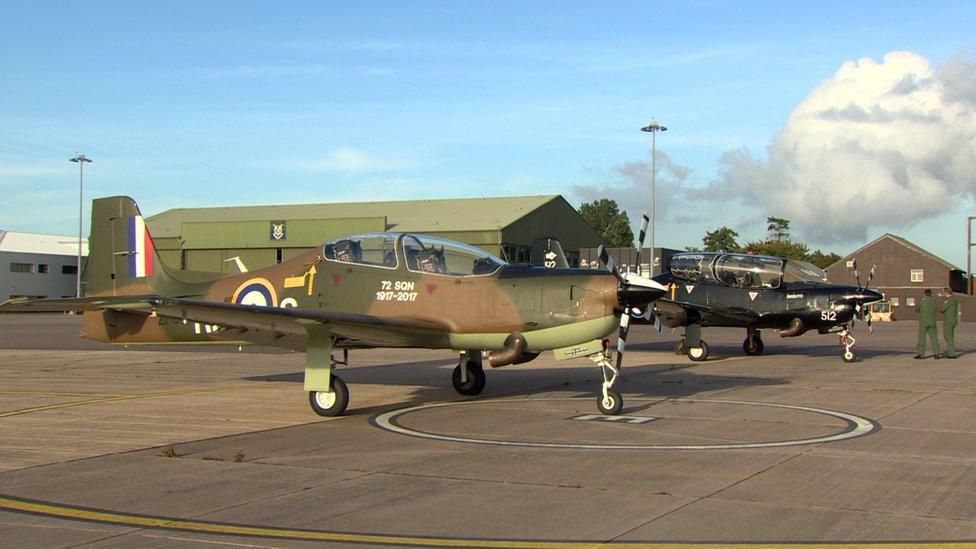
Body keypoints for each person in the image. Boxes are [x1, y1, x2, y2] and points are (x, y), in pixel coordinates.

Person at [915, 289, 940, 359]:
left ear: (925, 294)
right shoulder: (933, 302)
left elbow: (917, 309)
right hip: (932, 321)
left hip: (923, 322)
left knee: (922, 338)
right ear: (931, 294)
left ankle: (920, 354)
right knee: (934, 338)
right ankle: (936, 353)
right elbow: (935, 310)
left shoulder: (922, 302)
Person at [939, 287, 959, 359]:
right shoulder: (953, 299)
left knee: (948, 336)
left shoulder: (950, 300)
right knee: (949, 336)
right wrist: (942, 298)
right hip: (952, 319)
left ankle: (952, 354)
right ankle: (951, 352)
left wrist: (942, 300)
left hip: (949, 320)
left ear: (946, 293)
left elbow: (942, 308)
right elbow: (947, 301)